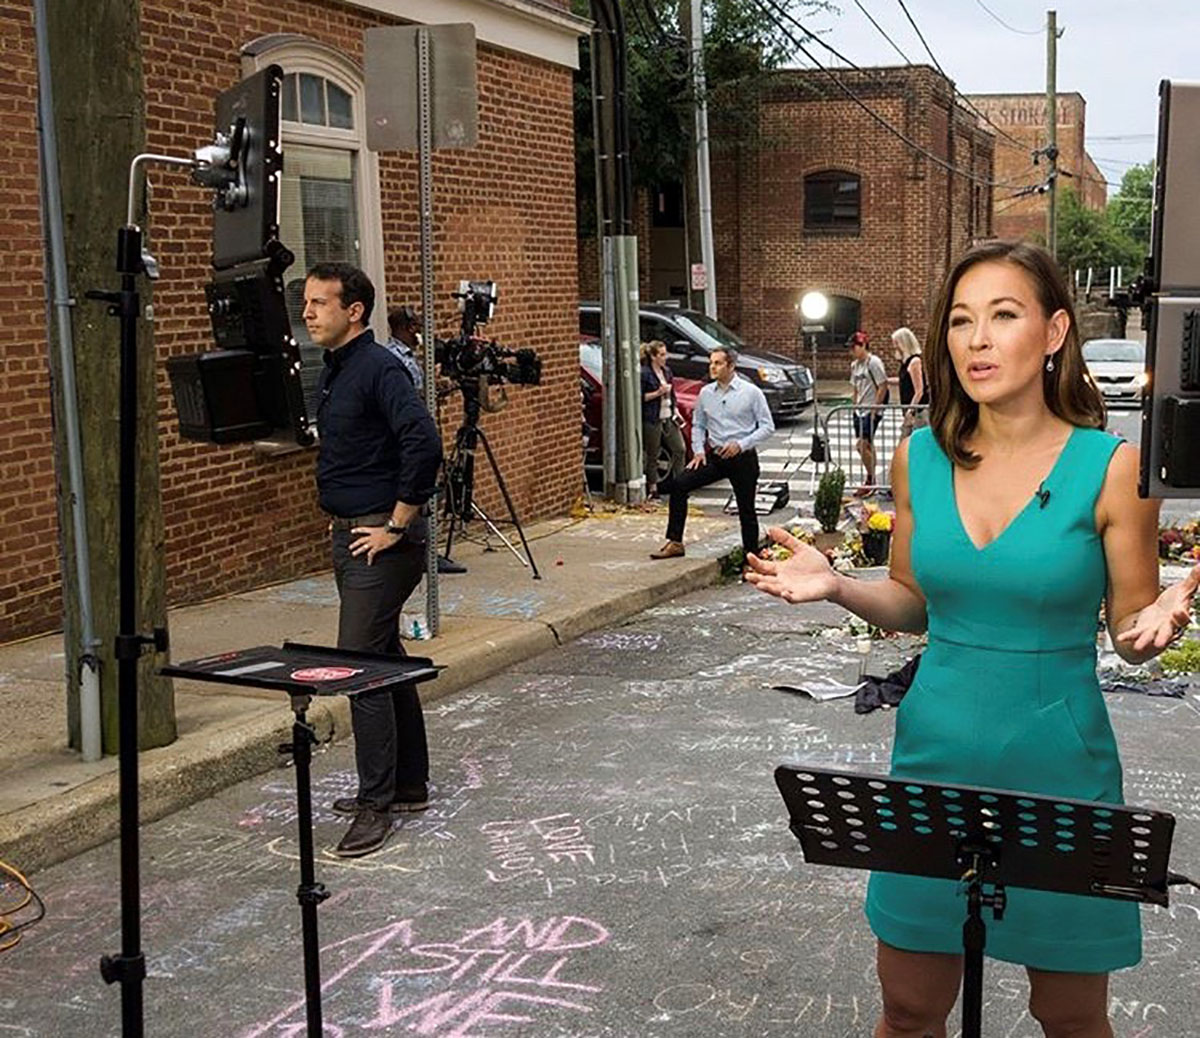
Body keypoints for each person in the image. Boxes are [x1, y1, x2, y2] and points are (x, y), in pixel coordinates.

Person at [746, 240, 1200, 1038]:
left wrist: (1155, 625)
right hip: (932, 761)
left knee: (1069, 1016)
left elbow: (1130, 635)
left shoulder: (1113, 468)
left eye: (1003, 316)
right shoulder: (920, 456)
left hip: (1061, 772)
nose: (977, 340)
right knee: (910, 1008)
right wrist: (838, 586)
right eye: (960, 321)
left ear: (1055, 331)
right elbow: (916, 603)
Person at [304, 262, 443, 858]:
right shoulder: (338, 370)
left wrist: (396, 524)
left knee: (358, 669)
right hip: (352, 538)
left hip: (379, 544)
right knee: (384, 660)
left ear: (354, 310)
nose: (308, 313)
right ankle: (408, 784)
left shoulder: (379, 368)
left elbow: (425, 441)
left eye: (319, 303)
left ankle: (374, 805)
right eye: (306, 303)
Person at [650, 346, 774, 560]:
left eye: (718, 363)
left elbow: (767, 426)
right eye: (711, 363)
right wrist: (698, 451)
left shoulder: (751, 392)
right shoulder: (706, 393)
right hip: (715, 456)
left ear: (731, 366)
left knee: (746, 509)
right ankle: (675, 542)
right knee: (680, 485)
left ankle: (751, 556)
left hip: (742, 457)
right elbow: (698, 425)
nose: (712, 367)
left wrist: (741, 444)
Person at [640, 340, 686, 498]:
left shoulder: (667, 371)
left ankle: (680, 484)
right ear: (653, 357)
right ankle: (653, 489)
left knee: (679, 449)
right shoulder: (645, 373)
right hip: (653, 418)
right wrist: (658, 392)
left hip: (669, 416)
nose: (665, 357)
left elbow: (672, 394)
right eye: (661, 355)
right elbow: (640, 398)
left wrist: (676, 409)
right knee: (653, 453)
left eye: (665, 354)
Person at [848, 330, 889, 496]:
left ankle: (871, 479)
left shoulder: (874, 363)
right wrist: (854, 405)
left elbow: (883, 385)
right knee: (868, 444)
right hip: (859, 409)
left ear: (863, 345)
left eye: (854, 347)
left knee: (861, 445)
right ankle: (872, 479)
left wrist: (875, 409)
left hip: (870, 409)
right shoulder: (855, 365)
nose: (851, 351)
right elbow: (855, 387)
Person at [891, 326, 929, 440]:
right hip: (911, 409)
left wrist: (911, 410)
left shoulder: (914, 362)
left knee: (909, 442)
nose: (894, 346)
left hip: (918, 412)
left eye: (896, 343)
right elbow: (906, 381)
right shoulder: (906, 362)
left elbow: (919, 390)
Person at [385, 305, 425, 392]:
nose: (420, 331)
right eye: (418, 327)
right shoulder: (394, 356)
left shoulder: (406, 354)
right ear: (411, 327)